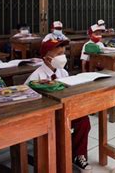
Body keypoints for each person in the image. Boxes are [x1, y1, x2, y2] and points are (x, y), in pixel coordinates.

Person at [25, 40, 92, 171]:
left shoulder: (62, 72)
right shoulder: (35, 77)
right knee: (57, 129)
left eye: (63, 53)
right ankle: (56, 158)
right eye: (58, 54)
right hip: (45, 116)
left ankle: (78, 154)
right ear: (46, 57)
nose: (63, 57)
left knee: (84, 121)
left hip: (63, 111)